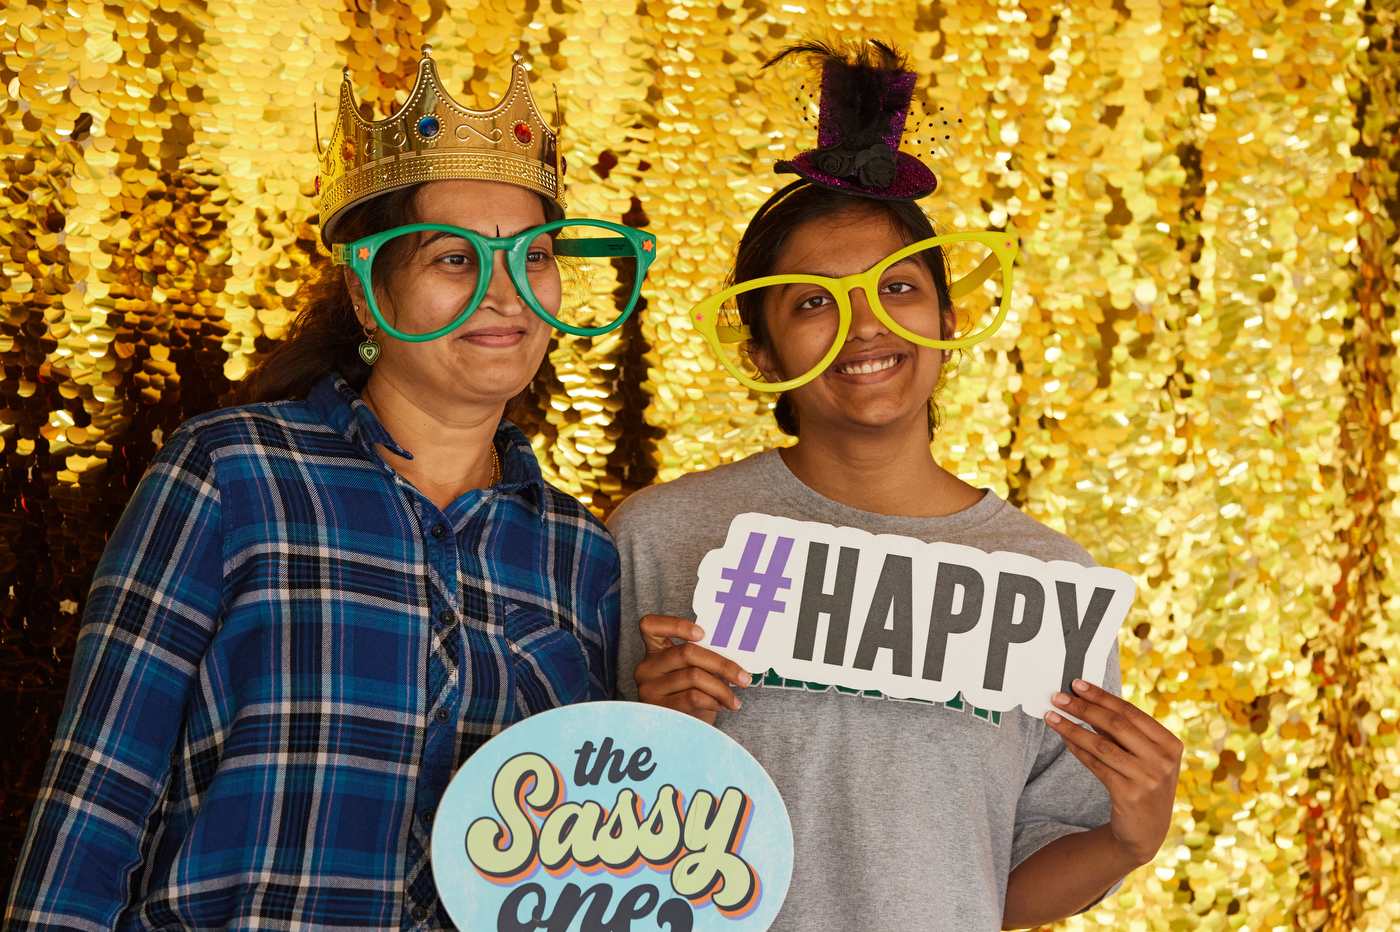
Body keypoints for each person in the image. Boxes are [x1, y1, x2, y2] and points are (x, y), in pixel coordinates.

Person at [5, 49, 657, 931]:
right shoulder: (232, 474)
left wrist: (660, 738)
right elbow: (99, 791)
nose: (506, 294)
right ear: (364, 289)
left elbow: (575, 866)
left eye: (534, 256)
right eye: (454, 260)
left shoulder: (580, 552)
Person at [609, 40, 1182, 931]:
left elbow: (1002, 889)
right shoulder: (662, 536)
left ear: (949, 318)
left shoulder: (1046, 581)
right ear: (760, 353)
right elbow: (583, 842)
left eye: (901, 287)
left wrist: (1127, 841)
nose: (864, 326)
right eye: (811, 302)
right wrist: (638, 740)